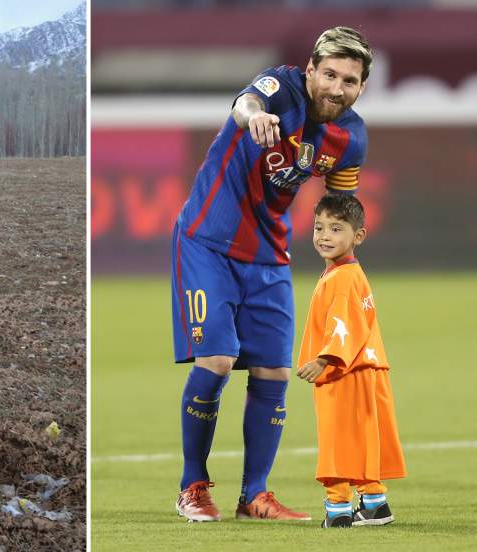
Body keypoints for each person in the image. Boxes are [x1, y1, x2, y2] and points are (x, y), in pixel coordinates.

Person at [171, 26, 372, 522]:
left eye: (350, 80)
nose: (336, 87)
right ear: (311, 70)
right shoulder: (278, 89)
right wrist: (255, 117)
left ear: (361, 87)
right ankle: (191, 487)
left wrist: (344, 271)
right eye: (329, 74)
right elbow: (244, 104)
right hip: (208, 241)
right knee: (217, 358)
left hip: (270, 254)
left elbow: (340, 208)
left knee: (275, 372)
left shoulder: (352, 138)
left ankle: (254, 496)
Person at [296, 193, 406, 528]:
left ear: (358, 236)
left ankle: (338, 509)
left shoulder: (342, 278)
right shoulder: (349, 272)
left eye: (336, 228)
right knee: (362, 439)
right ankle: (374, 503)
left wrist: (325, 359)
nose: (325, 235)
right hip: (367, 370)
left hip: (344, 371)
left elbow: (343, 324)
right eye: (319, 227)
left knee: (338, 439)